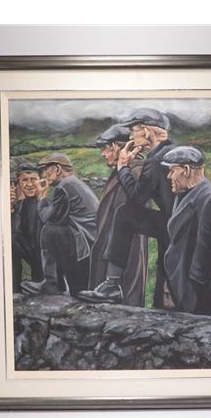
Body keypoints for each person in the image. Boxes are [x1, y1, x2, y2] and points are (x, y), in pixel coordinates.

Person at [78, 108, 176, 306]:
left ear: (147, 131)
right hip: (174, 220)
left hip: (177, 224)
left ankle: (112, 284)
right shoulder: (165, 153)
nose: (130, 136)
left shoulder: (155, 160)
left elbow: (136, 198)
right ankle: (112, 284)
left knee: (126, 214)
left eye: (134, 131)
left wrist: (123, 167)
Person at [162, 146, 211, 315]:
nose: (168, 176)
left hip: (196, 297)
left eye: (172, 171)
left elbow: (202, 264)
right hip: (179, 288)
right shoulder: (184, 194)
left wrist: (190, 299)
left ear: (186, 170)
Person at [21, 153, 99, 297]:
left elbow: (47, 218)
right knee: (54, 230)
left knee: (49, 231)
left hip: (85, 240)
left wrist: (41, 197)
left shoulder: (64, 186)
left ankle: (51, 283)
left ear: (57, 169)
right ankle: (55, 283)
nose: (45, 174)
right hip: (90, 236)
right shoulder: (73, 183)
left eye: (47, 169)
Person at [88, 124, 148, 307]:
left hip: (122, 254)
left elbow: (124, 213)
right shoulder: (125, 170)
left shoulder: (134, 171)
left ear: (117, 147)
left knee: (124, 302)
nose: (103, 154)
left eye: (106, 149)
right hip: (111, 248)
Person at [10, 163, 44, 293]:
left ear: (40, 181)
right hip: (30, 251)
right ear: (18, 184)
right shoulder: (19, 204)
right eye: (25, 180)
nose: (29, 184)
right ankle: (14, 290)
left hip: (45, 255)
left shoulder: (46, 203)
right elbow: (15, 232)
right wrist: (11, 208)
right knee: (12, 242)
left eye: (33, 179)